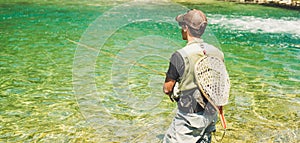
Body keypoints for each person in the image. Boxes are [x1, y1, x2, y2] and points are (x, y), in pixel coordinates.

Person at [163, 9, 224, 143]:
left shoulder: (179, 55)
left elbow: (167, 89)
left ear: (186, 28)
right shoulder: (218, 53)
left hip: (189, 117)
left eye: (181, 25)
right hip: (211, 114)